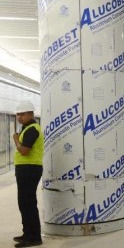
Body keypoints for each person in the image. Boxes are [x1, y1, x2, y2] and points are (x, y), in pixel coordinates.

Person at [12, 101, 44, 247]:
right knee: (24, 203)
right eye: (18, 114)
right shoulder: (27, 128)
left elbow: (24, 151)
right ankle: (28, 233)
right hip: (26, 169)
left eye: (23, 114)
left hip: (29, 169)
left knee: (28, 203)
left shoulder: (33, 129)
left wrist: (16, 140)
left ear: (31, 114)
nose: (20, 117)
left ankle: (34, 238)